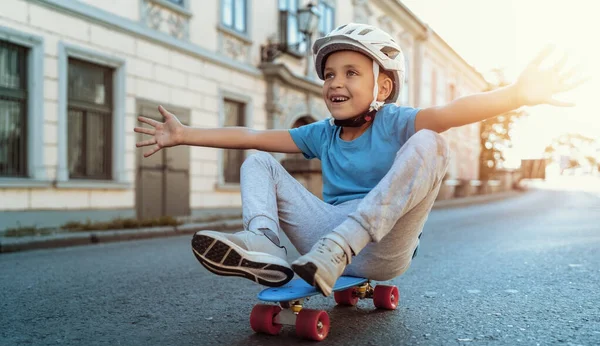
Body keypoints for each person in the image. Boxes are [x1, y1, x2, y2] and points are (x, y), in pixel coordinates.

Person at [135, 23, 582, 297]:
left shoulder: (397, 123)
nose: (335, 83)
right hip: (322, 238)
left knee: (433, 141)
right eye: (330, 74)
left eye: (351, 73)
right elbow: (252, 133)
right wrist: (183, 134)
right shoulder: (322, 134)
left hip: (382, 246)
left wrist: (517, 95)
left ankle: (338, 248)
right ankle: (265, 245)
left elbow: (452, 112)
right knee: (259, 159)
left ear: (382, 88)